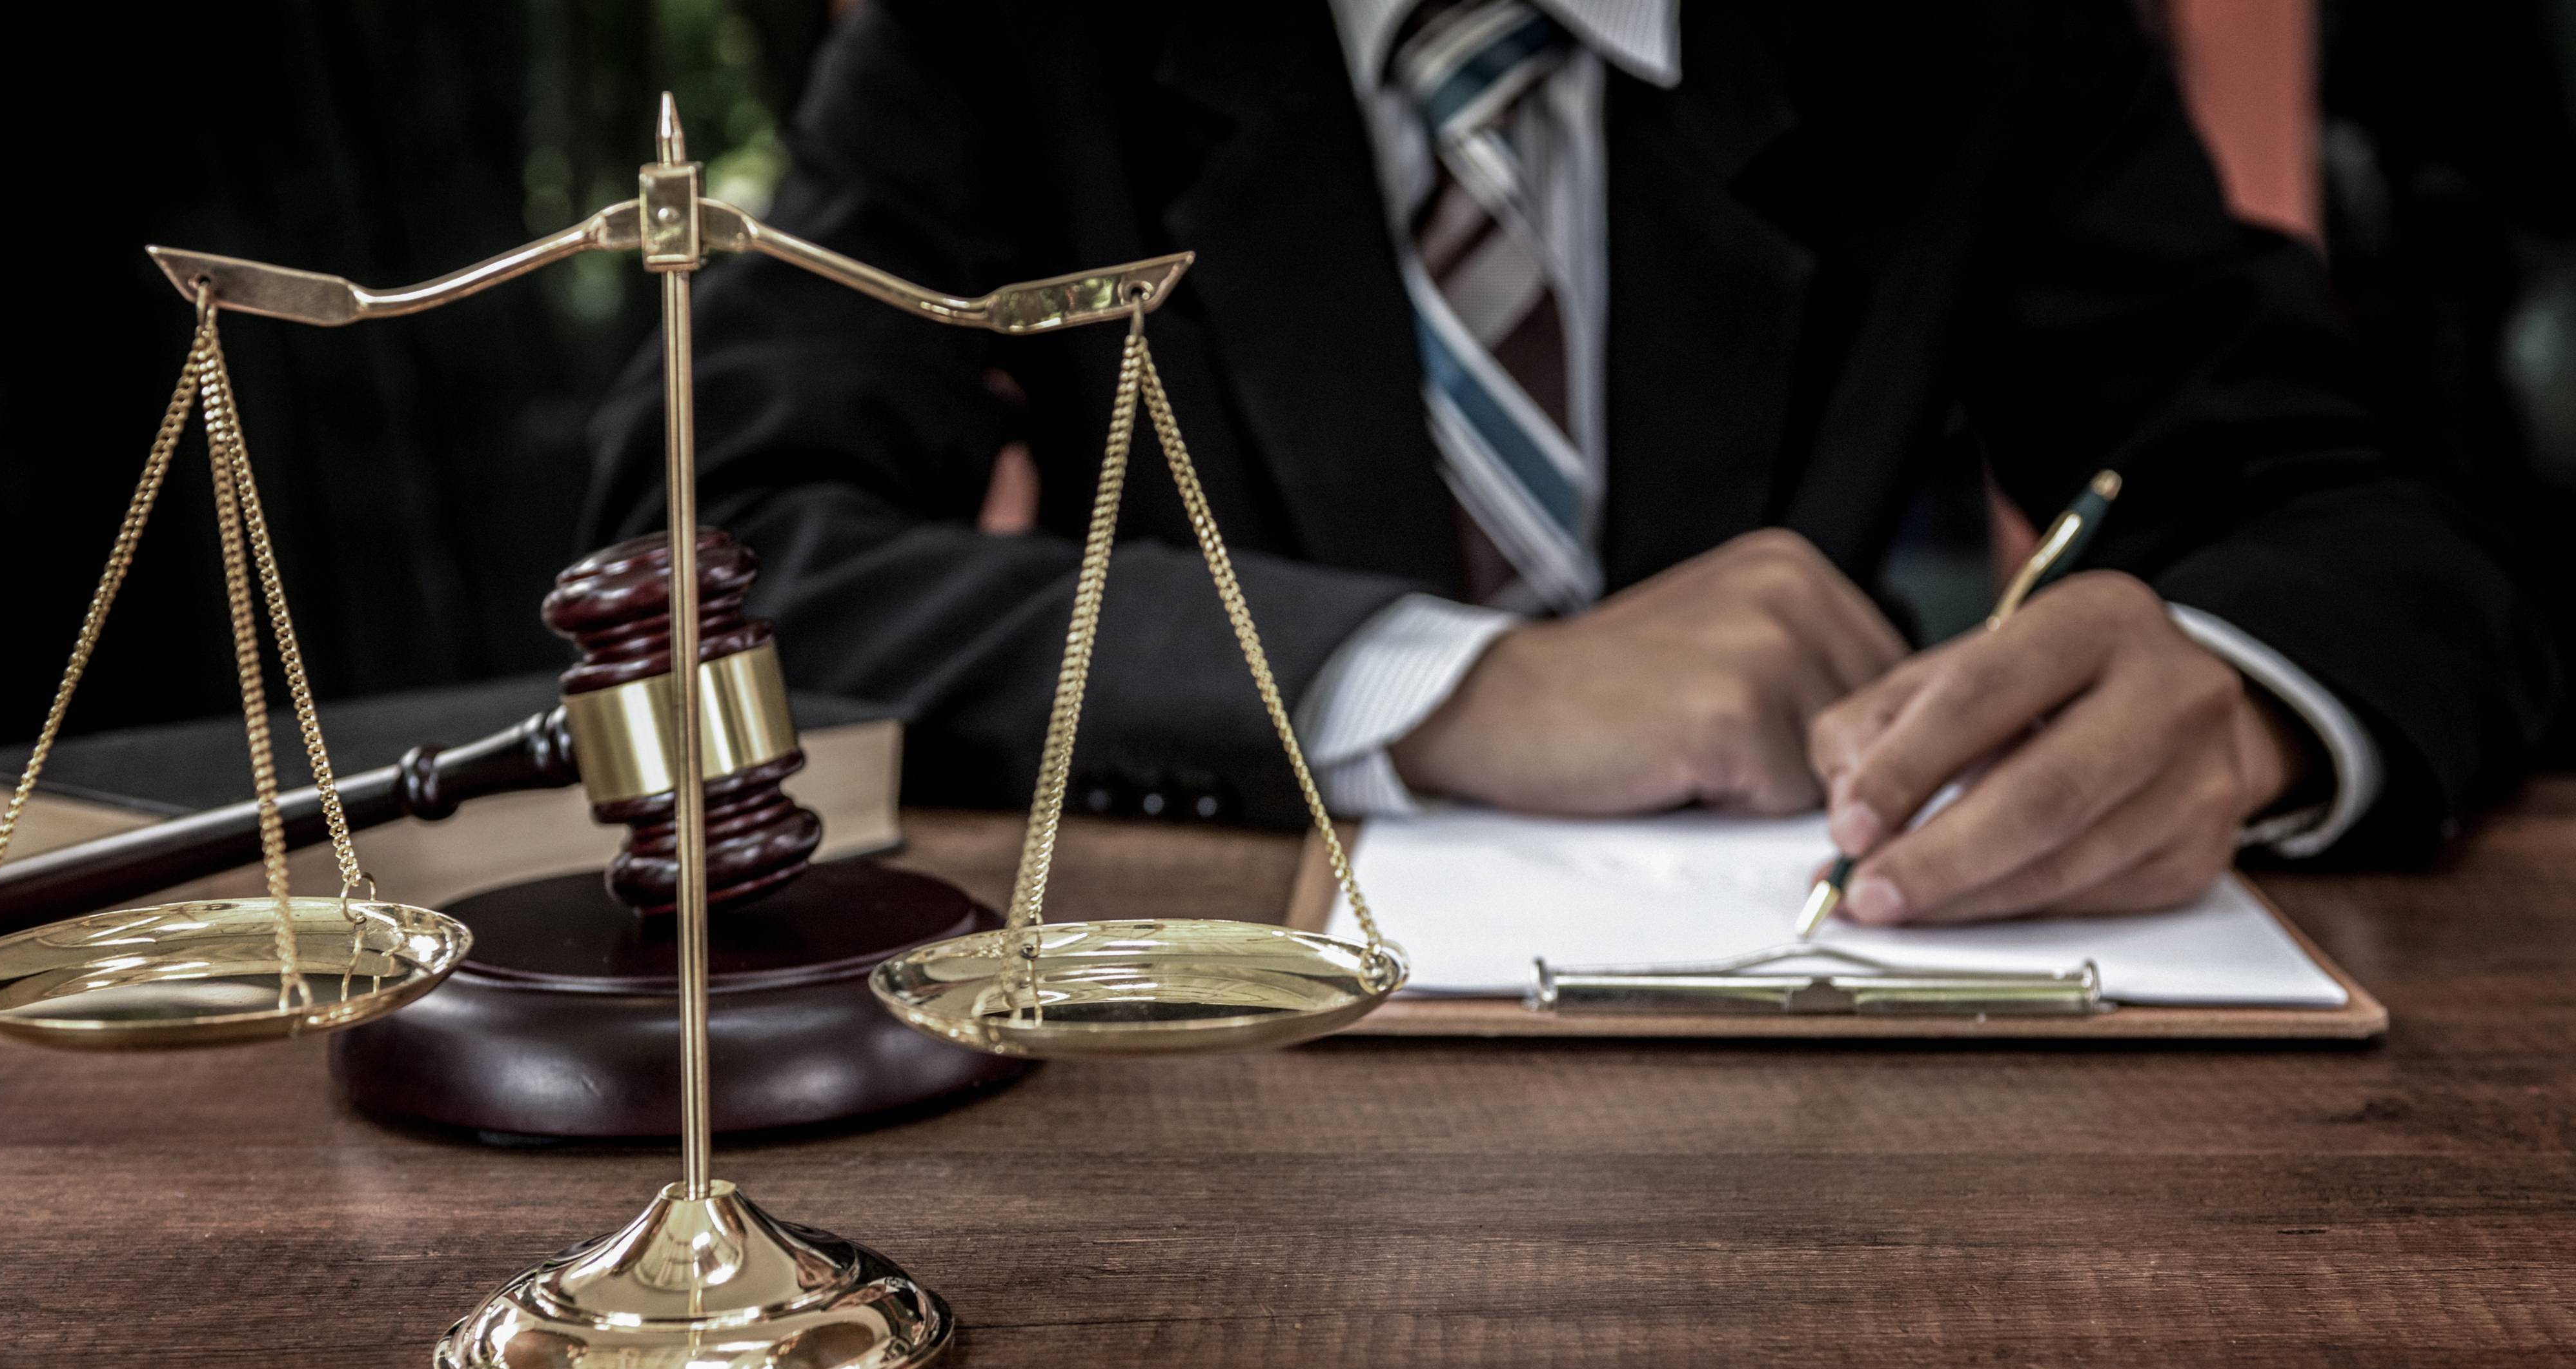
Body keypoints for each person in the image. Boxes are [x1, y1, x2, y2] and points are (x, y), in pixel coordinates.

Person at [586, 0, 2557, 926]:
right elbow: (703, 569)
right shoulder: (1000, 40)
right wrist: (1441, 685)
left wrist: (2236, 709)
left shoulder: (1969, 37)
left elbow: (2374, 527)